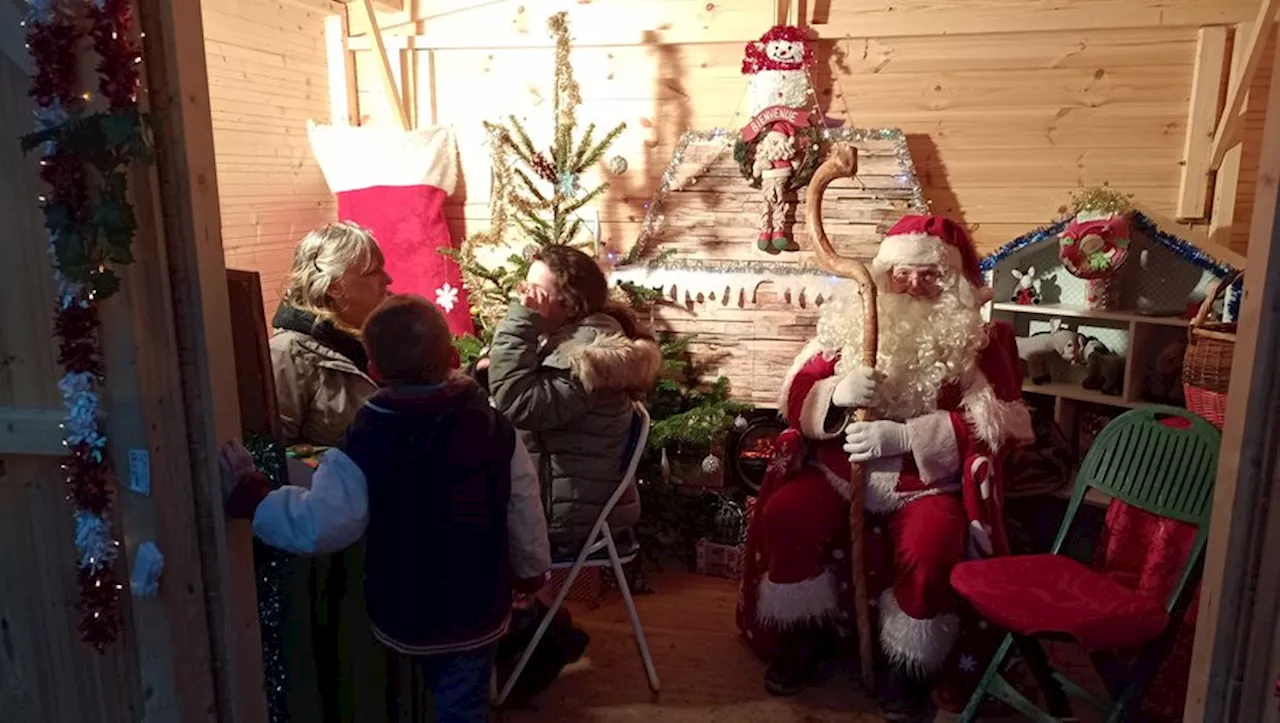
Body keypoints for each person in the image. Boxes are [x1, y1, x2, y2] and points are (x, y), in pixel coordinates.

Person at [736, 214, 1033, 721]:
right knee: (787, 515)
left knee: (932, 545)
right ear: (882, 275)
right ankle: (803, 638)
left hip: (925, 482)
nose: (914, 285)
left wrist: (910, 437)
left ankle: (909, 669)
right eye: (903, 273)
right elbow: (795, 398)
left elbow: (1000, 425)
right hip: (839, 470)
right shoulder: (848, 324)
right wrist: (835, 396)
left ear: (954, 282)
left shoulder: (979, 342)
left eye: (930, 275)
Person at [222, 294, 551, 723]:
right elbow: (523, 502)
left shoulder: (365, 441)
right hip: (477, 606)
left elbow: (322, 524)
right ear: (452, 356)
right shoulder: (493, 428)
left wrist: (255, 497)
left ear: (374, 371)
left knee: (401, 699)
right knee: (463, 704)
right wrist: (531, 567)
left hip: (402, 609)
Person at [269, 221, 392, 722]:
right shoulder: (287, 355)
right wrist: (334, 465)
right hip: (328, 543)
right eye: (374, 272)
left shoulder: (361, 343)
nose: (387, 281)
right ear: (338, 287)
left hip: (364, 528)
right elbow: (275, 452)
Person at [486, 245, 661, 556]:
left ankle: (521, 603)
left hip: (565, 515)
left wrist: (519, 326)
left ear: (570, 305)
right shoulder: (566, 338)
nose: (523, 299)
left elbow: (521, 405)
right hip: (556, 495)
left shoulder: (588, 355)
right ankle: (528, 604)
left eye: (535, 292)